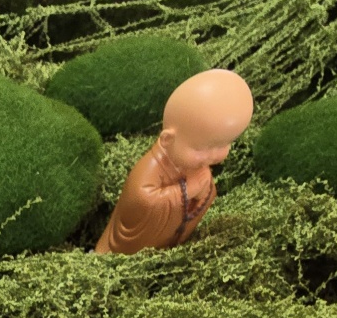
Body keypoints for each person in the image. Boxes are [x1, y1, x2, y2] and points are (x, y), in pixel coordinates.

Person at [95, 68, 254, 255]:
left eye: (222, 145)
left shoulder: (194, 165)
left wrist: (205, 192)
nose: (211, 156)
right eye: (199, 149)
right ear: (167, 140)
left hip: (167, 245)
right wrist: (187, 190)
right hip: (129, 249)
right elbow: (141, 201)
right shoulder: (153, 166)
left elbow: (201, 200)